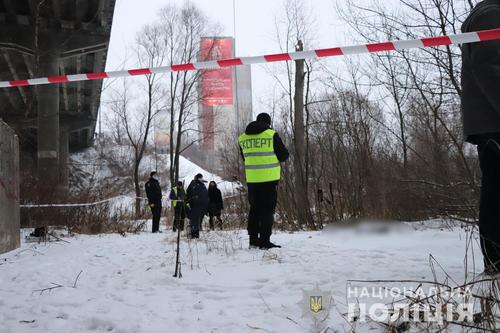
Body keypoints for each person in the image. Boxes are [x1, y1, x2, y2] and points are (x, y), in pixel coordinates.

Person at [461, 0, 500, 274]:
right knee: (497, 193)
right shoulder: (491, 14)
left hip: (490, 120)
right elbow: (488, 66)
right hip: (494, 122)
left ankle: (496, 262)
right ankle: (497, 263)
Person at [238, 112, 289, 249]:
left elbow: (245, 158)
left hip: (252, 180)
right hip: (268, 180)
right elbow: (284, 155)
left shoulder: (242, 138)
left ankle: (253, 240)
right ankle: (265, 241)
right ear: (268, 123)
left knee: (254, 210)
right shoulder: (271, 135)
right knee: (267, 211)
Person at [186, 173, 209, 239]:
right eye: (199, 178)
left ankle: (196, 235)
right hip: (194, 206)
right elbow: (188, 194)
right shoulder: (192, 184)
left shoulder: (203, 185)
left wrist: (206, 205)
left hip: (201, 206)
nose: (201, 179)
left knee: (199, 221)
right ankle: (193, 235)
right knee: (194, 220)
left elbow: (206, 196)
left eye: (201, 178)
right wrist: (191, 202)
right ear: (197, 178)